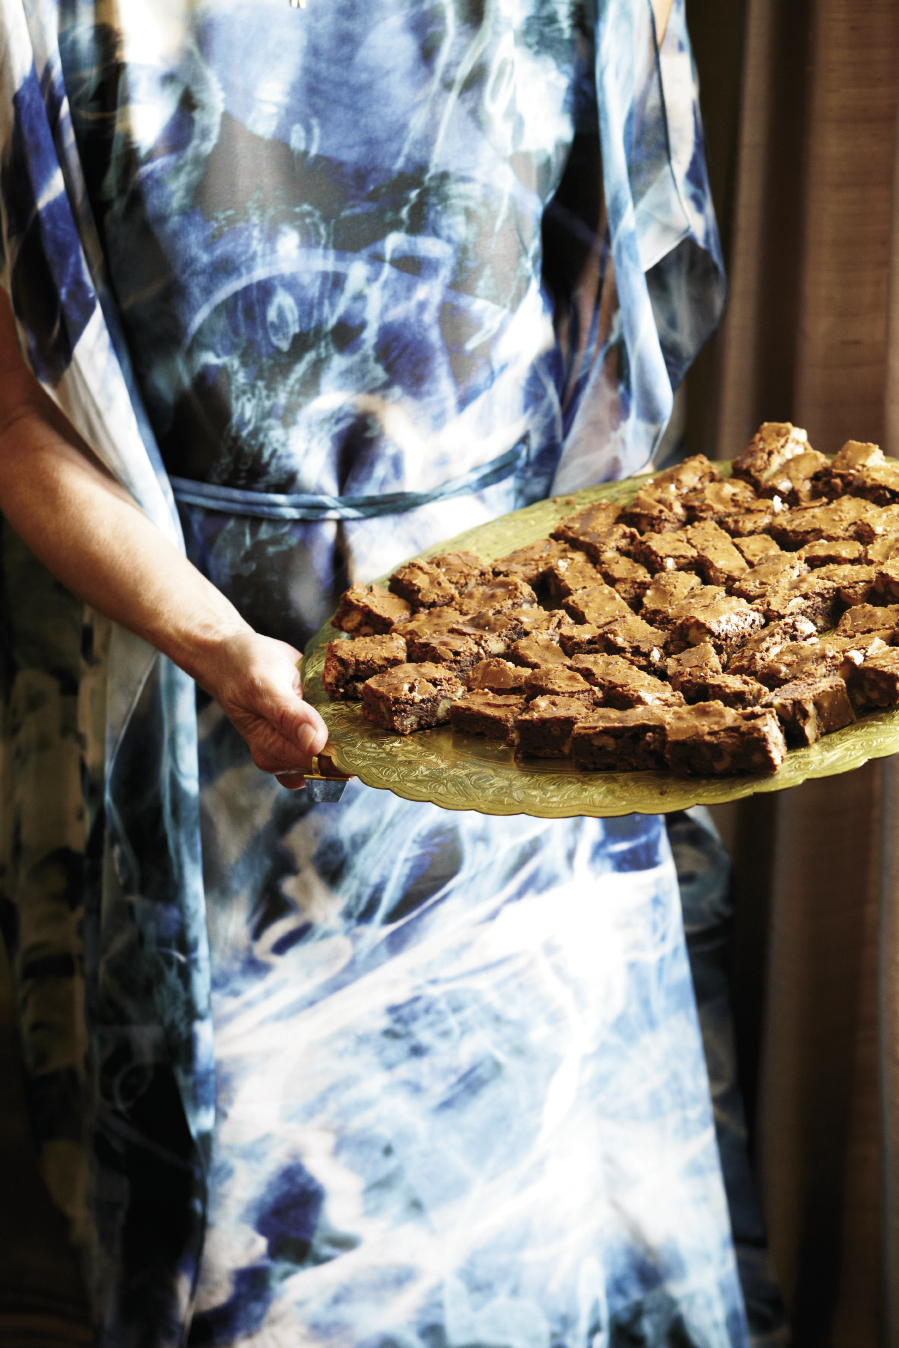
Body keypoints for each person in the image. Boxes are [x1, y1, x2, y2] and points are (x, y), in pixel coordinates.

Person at [0, 1, 780, 1344]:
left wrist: (612, 632)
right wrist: (219, 646)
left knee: (544, 1224)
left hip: (532, 676)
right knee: (283, 1264)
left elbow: (624, 311)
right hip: (211, 710)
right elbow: (19, 426)